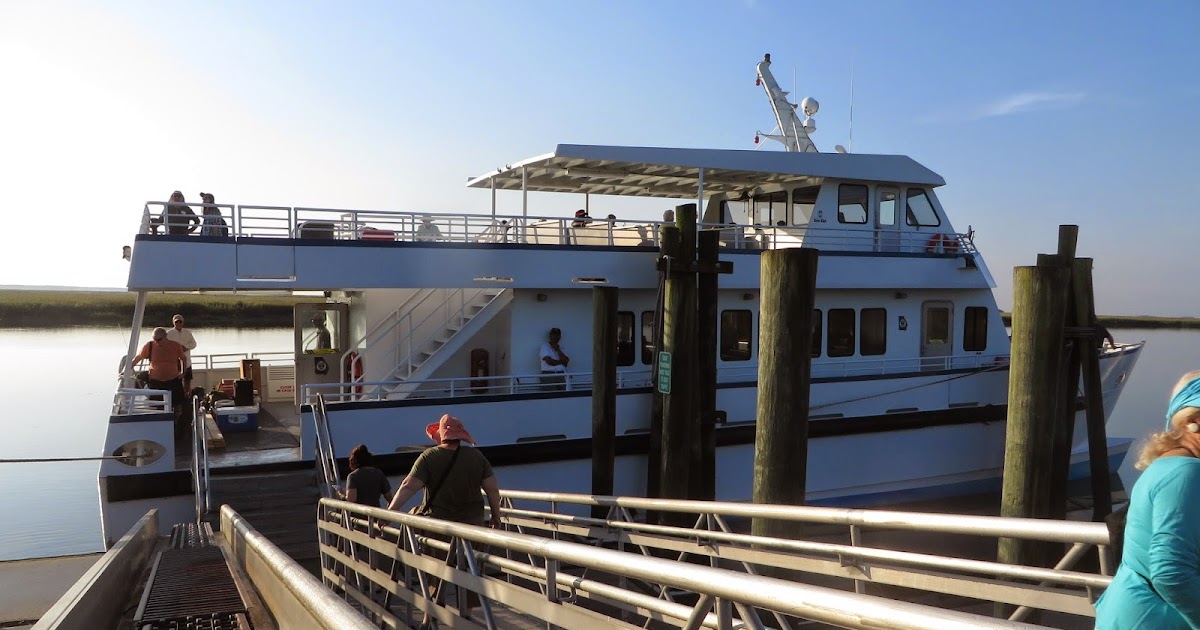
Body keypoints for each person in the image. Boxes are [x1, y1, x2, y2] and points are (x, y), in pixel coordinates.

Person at [1095, 370, 1200, 629]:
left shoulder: (1170, 465)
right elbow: (1171, 573)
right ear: (1193, 420)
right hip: (1154, 620)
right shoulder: (1185, 473)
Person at [387, 414, 502, 630]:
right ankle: (466, 617)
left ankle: (429, 620)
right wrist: (496, 515)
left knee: (435, 572)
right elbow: (492, 489)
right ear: (461, 436)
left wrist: (390, 512)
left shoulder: (429, 456)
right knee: (471, 571)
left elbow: (408, 486)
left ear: (441, 436)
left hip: (439, 526)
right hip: (473, 526)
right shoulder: (477, 457)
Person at [131, 327, 188, 423]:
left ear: (166, 337)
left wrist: (183, 372)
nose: (156, 341)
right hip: (155, 381)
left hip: (173, 380)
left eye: (159, 339)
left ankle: (176, 423)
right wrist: (128, 367)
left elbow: (183, 358)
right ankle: (159, 423)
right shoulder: (149, 346)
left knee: (178, 404)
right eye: (154, 339)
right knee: (156, 405)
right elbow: (139, 357)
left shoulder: (175, 346)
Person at [166, 314, 197, 394]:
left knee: (187, 381)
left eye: (180, 321)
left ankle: (187, 397)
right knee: (176, 382)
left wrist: (185, 347)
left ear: (183, 322)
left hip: (187, 362)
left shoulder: (187, 332)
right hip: (174, 362)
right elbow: (166, 346)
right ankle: (178, 397)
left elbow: (193, 344)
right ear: (173, 322)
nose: (178, 323)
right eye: (176, 322)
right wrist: (177, 349)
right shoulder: (169, 333)